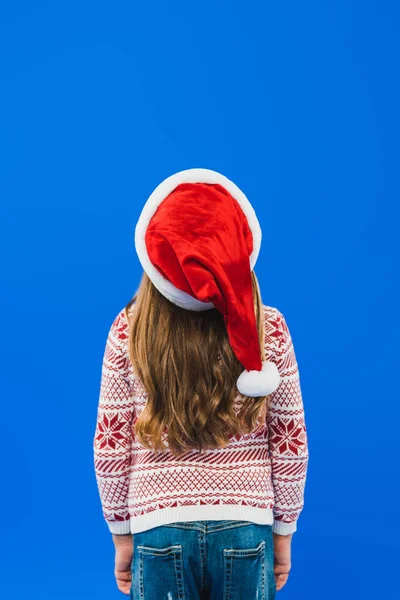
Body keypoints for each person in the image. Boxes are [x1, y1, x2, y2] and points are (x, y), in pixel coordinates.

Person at [93, 168, 309, 599]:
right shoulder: (271, 330)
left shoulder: (128, 331)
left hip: (156, 529)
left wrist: (121, 534)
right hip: (247, 526)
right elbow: (290, 438)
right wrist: (283, 531)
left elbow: (110, 444)